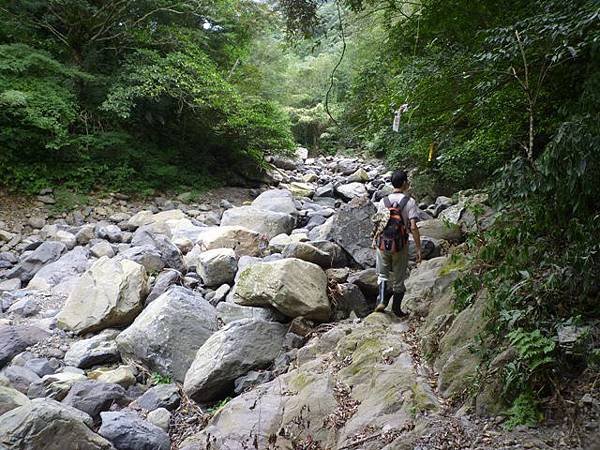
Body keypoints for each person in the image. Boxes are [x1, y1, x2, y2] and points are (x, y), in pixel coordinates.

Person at [372, 170, 421, 316]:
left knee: (382, 275)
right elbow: (413, 226)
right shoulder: (410, 202)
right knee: (399, 278)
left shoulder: (383, 201)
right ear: (405, 183)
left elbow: (378, 223)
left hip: (383, 243)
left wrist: (374, 240)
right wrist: (418, 248)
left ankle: (382, 300)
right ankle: (397, 310)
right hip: (400, 245)